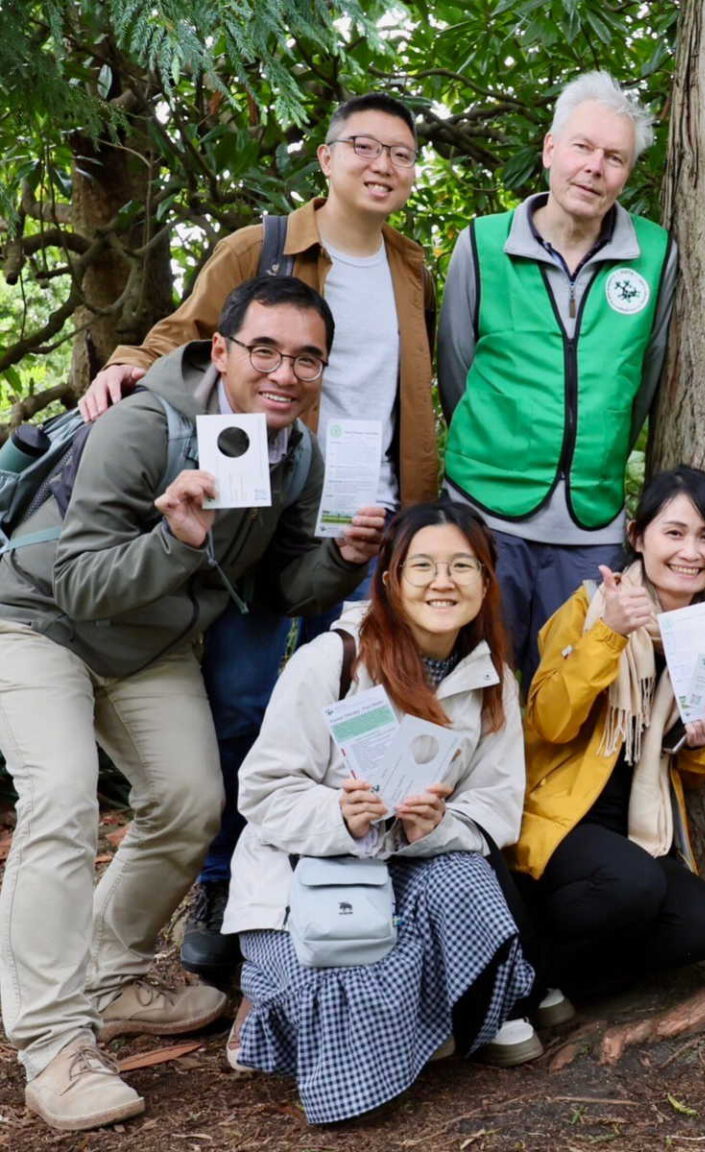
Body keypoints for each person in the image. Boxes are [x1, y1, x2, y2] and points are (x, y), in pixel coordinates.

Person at [0, 275, 384, 1132]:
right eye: (266, 351)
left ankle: (114, 973)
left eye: (306, 358)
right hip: (35, 624)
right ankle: (53, 1042)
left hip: (149, 643)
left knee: (191, 802)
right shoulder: (144, 427)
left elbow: (283, 582)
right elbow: (81, 583)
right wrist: (175, 539)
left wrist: (346, 555)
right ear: (223, 352)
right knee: (60, 799)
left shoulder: (296, 453)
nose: (284, 373)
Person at [79, 92, 438, 983]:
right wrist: (123, 368)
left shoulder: (410, 266)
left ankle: (337, 880)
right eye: (366, 147)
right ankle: (225, 881)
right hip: (257, 510)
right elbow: (183, 336)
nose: (383, 166)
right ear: (328, 157)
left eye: (401, 154)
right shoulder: (262, 246)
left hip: (363, 521)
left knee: (357, 709)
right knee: (242, 704)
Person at [223, 503, 537, 1124]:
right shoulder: (333, 659)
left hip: (411, 865)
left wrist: (437, 825)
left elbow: (496, 803)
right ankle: (273, 1002)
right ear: (390, 578)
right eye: (421, 565)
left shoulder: (493, 676)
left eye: (460, 567)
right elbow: (262, 788)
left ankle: (429, 1016)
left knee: (469, 879)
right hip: (306, 877)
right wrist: (341, 814)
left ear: (486, 580)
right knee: (345, 1002)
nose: (441, 582)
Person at [438, 70, 679, 679]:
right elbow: (456, 371)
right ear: (550, 150)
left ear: (627, 173)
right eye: (582, 147)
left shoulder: (655, 254)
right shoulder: (482, 244)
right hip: (484, 513)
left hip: (591, 527)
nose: (595, 167)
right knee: (476, 682)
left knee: (572, 694)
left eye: (614, 157)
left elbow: (644, 383)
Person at [515, 466, 705, 1001]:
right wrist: (610, 635)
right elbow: (549, 722)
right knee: (633, 885)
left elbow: (695, 773)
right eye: (674, 533)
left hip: (641, 828)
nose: (691, 552)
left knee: (702, 926)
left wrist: (701, 743)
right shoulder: (590, 608)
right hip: (561, 817)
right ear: (638, 537)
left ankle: (567, 982)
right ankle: (524, 972)